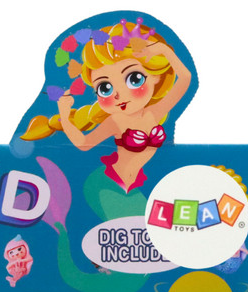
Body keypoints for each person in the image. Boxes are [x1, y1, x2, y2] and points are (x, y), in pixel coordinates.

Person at [22, 18, 191, 194]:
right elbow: (84, 144)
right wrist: (64, 117)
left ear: (156, 76)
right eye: (105, 88)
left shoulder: (154, 113)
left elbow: (185, 78)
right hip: (110, 183)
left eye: (134, 79)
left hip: (135, 182)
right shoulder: (117, 120)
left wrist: (163, 50)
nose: (119, 95)